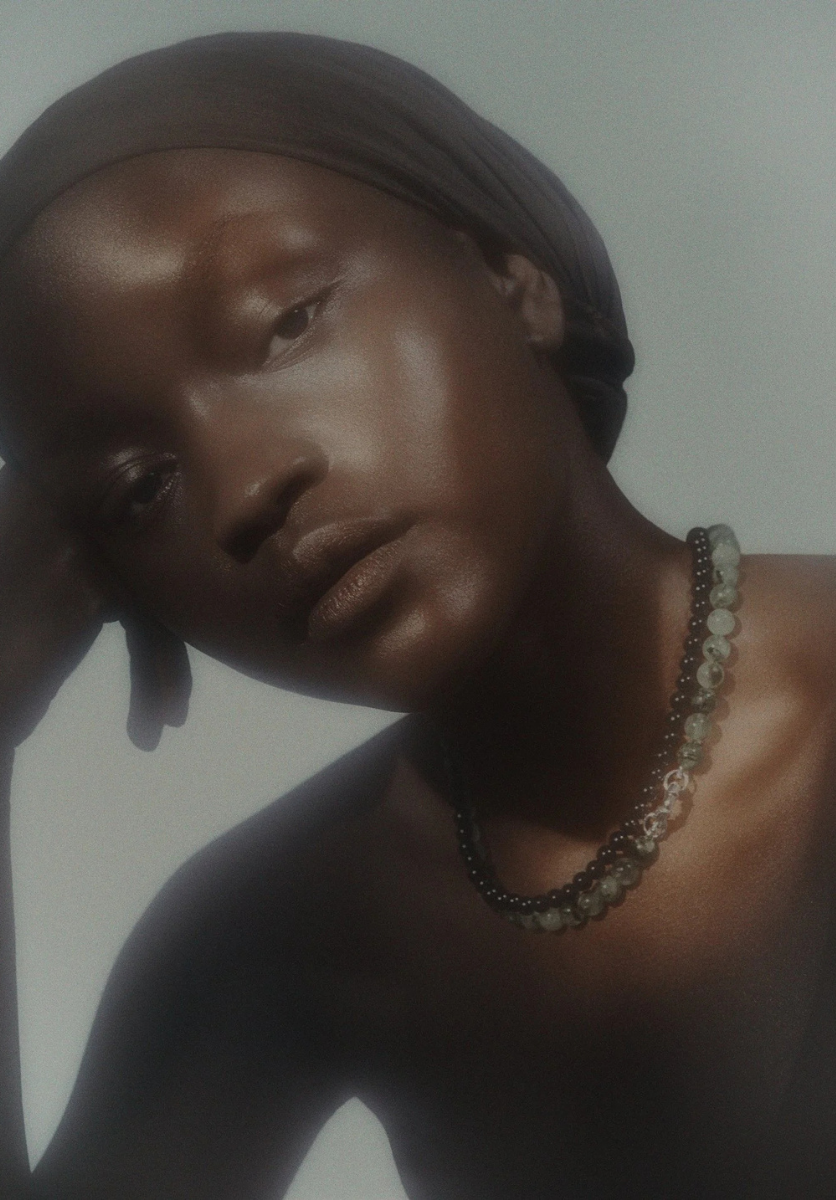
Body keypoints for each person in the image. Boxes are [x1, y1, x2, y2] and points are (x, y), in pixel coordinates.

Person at [0, 31, 834, 1200]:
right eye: (139, 491)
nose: (246, 488)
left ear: (509, 280)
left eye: (285, 322)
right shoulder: (284, 944)